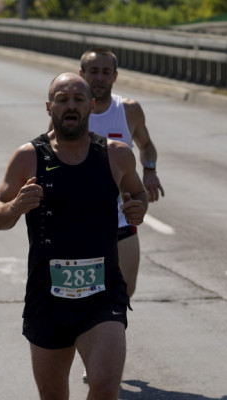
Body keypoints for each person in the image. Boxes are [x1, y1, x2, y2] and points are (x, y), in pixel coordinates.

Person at [0, 73, 148, 400]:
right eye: (63, 98)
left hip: (102, 292)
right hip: (48, 295)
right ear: (49, 107)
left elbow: (136, 196)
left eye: (80, 97)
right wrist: (16, 207)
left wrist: (137, 208)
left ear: (92, 106)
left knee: (105, 384)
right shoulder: (28, 157)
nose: (72, 104)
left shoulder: (115, 154)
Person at [79, 47, 165, 301]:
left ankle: (110, 339)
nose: (99, 78)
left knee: (125, 291)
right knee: (83, 295)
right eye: (93, 72)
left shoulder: (128, 110)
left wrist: (149, 170)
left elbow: (146, 145)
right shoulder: (71, 112)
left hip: (121, 220)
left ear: (115, 76)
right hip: (80, 222)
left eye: (106, 72)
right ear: (82, 74)